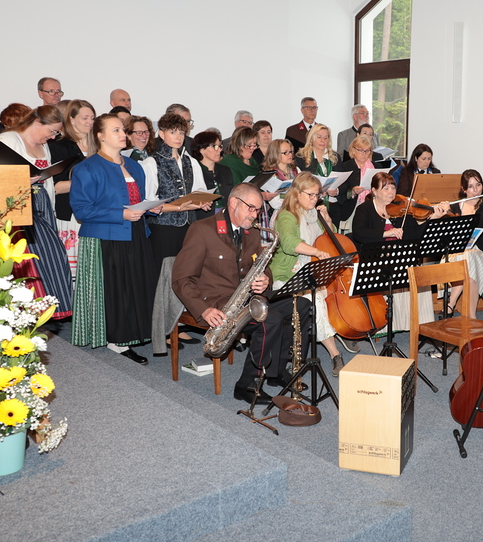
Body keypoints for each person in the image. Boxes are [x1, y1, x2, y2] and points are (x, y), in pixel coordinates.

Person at [172, 183, 311, 403]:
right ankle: (247, 384)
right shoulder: (202, 230)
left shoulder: (252, 232)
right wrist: (203, 309)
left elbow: (262, 265)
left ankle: (275, 371)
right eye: (251, 208)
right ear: (234, 203)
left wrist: (266, 279)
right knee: (270, 320)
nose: (255, 215)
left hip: (249, 299)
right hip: (217, 303)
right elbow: (181, 279)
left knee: (302, 305)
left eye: (258, 210)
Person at [70, 114, 163, 364]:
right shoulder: (86, 168)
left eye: (123, 130)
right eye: (116, 130)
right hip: (106, 237)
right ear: (100, 136)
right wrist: (120, 213)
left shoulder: (134, 166)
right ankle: (118, 340)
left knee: (136, 285)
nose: (123, 134)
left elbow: (136, 201)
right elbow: (82, 210)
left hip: (136, 233)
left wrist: (149, 208)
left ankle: (135, 333)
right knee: (117, 289)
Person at [0, 105, 72, 321]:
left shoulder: (44, 146)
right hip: (18, 205)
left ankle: (49, 308)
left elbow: (46, 181)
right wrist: (21, 179)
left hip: (41, 202)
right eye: (51, 131)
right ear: (37, 122)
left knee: (51, 255)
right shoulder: (8, 140)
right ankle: (28, 311)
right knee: (29, 258)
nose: (53, 137)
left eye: (56, 133)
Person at [270, 173, 360, 376]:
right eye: (310, 195)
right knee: (317, 300)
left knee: (336, 294)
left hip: (315, 269)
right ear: (297, 193)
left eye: (317, 195)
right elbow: (289, 243)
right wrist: (317, 252)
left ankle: (340, 328)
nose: (314, 199)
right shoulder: (287, 215)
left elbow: (332, 238)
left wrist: (328, 221)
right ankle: (335, 353)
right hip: (290, 274)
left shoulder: (314, 214)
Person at [350, 172, 448, 335]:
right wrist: (385, 233)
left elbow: (415, 235)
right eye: (386, 188)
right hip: (377, 258)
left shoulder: (402, 209)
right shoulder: (365, 209)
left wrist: (432, 219)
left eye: (393, 188)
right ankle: (387, 323)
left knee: (419, 271)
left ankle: (419, 323)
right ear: (374, 191)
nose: (391, 192)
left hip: (400, 257)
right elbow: (359, 233)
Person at [144, 113, 211, 283]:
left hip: (189, 226)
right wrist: (179, 207)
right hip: (163, 228)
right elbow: (150, 203)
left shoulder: (190, 162)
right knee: (163, 276)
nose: (178, 137)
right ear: (161, 134)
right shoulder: (152, 162)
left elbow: (198, 192)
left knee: (186, 273)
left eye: (181, 132)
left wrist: (202, 202)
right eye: (173, 132)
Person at [48, 99, 97, 280]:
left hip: (96, 214)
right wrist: (87, 184)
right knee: (72, 274)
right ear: (71, 119)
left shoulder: (99, 146)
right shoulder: (58, 147)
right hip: (70, 216)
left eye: (92, 118)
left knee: (93, 272)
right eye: (85, 118)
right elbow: (54, 187)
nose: (90, 122)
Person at [445, 169, 483, 316]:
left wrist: (453, 216)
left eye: (478, 185)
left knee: (468, 258)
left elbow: (477, 227)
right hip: (456, 253)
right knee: (466, 260)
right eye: (471, 186)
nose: (476, 190)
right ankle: (471, 316)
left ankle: (450, 304)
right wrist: (443, 213)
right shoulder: (455, 207)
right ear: (464, 189)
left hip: (479, 252)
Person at [295, 123, 356, 228]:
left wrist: (337, 191)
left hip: (333, 206)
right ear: (311, 139)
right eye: (319, 137)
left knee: (332, 235)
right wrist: (318, 192)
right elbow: (299, 184)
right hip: (311, 207)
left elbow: (345, 183)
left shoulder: (335, 157)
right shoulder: (302, 157)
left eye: (326, 137)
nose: (323, 140)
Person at [188, 130, 232, 212]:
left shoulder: (225, 170)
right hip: (204, 216)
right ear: (202, 150)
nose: (219, 150)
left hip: (225, 213)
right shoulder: (193, 171)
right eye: (214, 146)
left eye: (220, 146)